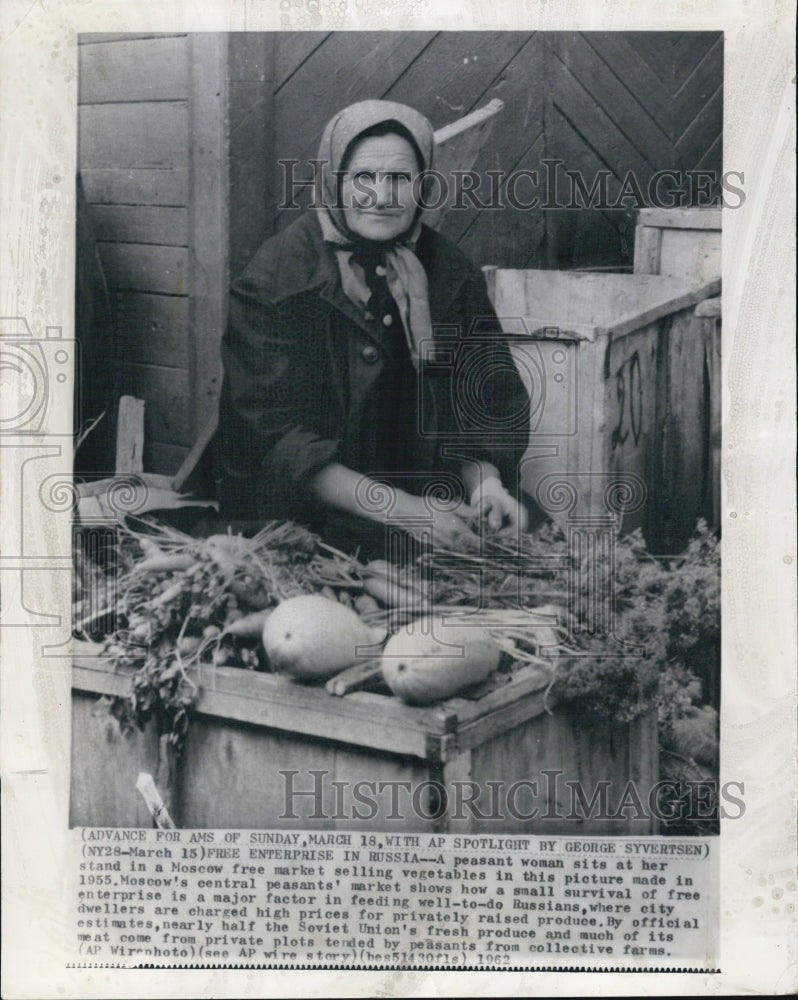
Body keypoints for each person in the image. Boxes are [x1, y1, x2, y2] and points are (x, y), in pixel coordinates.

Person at [214, 100, 530, 557]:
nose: (381, 197)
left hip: (426, 497)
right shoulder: (277, 278)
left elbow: (484, 401)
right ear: (333, 181)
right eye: (363, 178)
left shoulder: (449, 271)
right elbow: (271, 439)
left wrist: (487, 487)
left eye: (400, 178)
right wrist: (406, 512)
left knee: (524, 542)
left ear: (423, 184)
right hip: (306, 510)